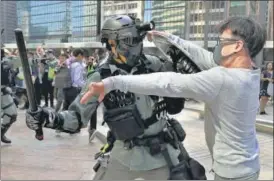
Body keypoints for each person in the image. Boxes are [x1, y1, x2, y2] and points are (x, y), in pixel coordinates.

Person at [81, 17, 267, 180]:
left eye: (222, 41)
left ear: (237, 46)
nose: (218, 46)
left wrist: (112, 83)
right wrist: (170, 39)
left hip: (232, 173)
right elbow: (206, 57)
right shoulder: (249, 72)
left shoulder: (223, 79)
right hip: (248, 163)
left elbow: (168, 82)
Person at [25, 15, 207, 180]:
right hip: (124, 155)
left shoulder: (156, 65)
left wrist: (182, 72)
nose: (135, 45)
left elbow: (182, 99)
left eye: (137, 39)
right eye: (129, 40)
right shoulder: (101, 76)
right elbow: (76, 117)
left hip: (163, 155)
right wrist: (47, 117)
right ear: (111, 43)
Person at [1, 48, 18, 144]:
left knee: (12, 115)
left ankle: (1, 134)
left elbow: (20, 62)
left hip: (4, 91)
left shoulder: (6, 62)